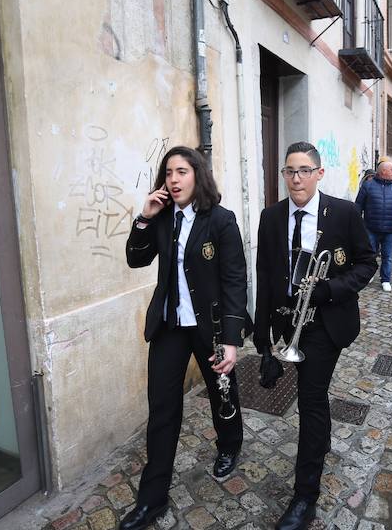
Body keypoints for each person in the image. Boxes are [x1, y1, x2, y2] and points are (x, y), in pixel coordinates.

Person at [120, 146, 248, 530]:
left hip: (209, 327)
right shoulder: (160, 219)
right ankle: (152, 499)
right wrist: (143, 218)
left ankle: (229, 443)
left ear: (197, 176)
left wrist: (231, 338)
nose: (174, 179)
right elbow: (135, 259)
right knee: (162, 409)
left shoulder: (221, 221)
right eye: (169, 172)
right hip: (170, 326)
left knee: (222, 393)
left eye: (182, 171)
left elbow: (234, 280)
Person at [254, 142, 376, 530]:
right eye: (290, 171)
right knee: (313, 398)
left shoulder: (342, 212)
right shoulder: (270, 216)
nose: (296, 179)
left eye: (304, 170)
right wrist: (264, 346)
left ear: (319, 174)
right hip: (288, 322)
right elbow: (265, 278)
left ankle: (305, 496)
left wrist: (330, 289)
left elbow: (366, 263)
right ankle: (318, 437)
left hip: (325, 323)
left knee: (309, 398)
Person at [354, 159, 392, 292]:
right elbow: (358, 205)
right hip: (370, 227)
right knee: (369, 255)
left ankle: (385, 279)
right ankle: (368, 275)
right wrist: (357, 224)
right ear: (383, 171)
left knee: (387, 256)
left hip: (390, 229)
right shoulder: (368, 186)